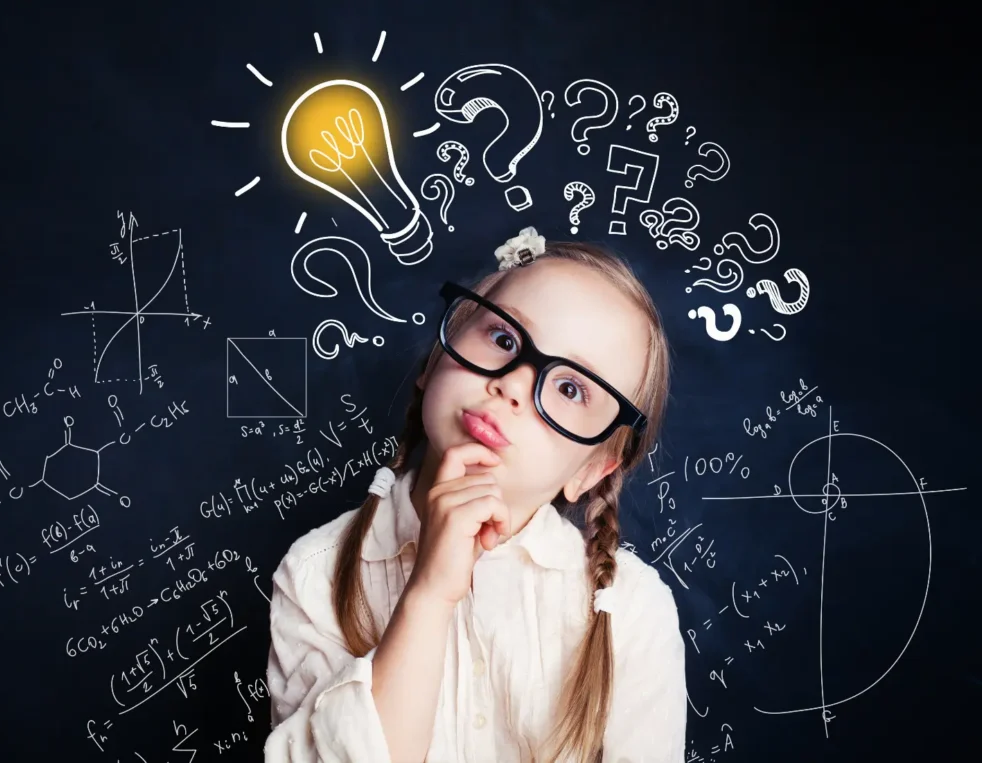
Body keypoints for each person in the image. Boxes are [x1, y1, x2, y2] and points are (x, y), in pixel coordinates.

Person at [264, 226, 687, 763]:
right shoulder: (313, 573)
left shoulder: (633, 610)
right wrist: (428, 595)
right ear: (433, 363)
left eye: (571, 389)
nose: (512, 385)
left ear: (590, 472)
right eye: (504, 339)